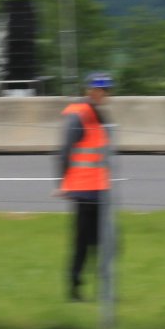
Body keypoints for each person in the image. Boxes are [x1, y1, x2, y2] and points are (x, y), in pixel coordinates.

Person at [54, 72, 114, 301]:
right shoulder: (79, 114)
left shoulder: (98, 114)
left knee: (104, 242)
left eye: (106, 90)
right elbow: (64, 151)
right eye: (101, 90)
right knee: (85, 243)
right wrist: (61, 183)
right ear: (90, 91)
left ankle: (101, 290)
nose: (104, 94)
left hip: (99, 188)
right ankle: (76, 289)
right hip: (84, 190)